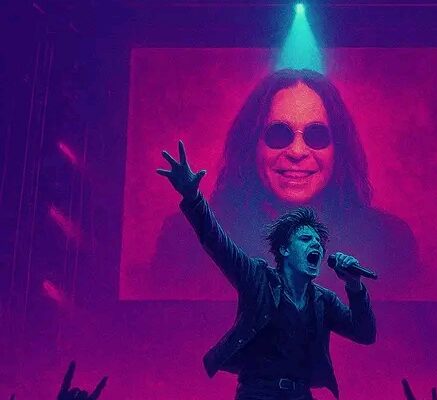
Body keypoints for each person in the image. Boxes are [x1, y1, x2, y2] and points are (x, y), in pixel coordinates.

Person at [150, 69, 418, 300]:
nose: (297, 151)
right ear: (252, 146)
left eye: (316, 135)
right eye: (279, 134)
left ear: (338, 150)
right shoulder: (186, 237)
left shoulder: (390, 241)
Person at [157, 141, 376, 399]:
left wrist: (354, 285)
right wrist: (193, 198)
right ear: (284, 249)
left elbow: (365, 333)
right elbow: (217, 243)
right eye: (306, 239)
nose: (316, 244)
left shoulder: (323, 300)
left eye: (318, 242)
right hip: (258, 393)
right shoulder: (258, 280)